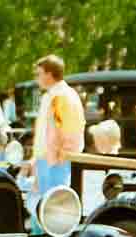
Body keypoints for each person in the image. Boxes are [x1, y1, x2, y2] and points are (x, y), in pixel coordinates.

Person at [27, 55, 85, 218]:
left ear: (48, 74)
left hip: (55, 161)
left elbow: (69, 130)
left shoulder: (61, 96)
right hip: (48, 160)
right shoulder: (55, 95)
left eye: (38, 74)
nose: (36, 78)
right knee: (47, 207)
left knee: (54, 209)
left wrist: (60, 155)